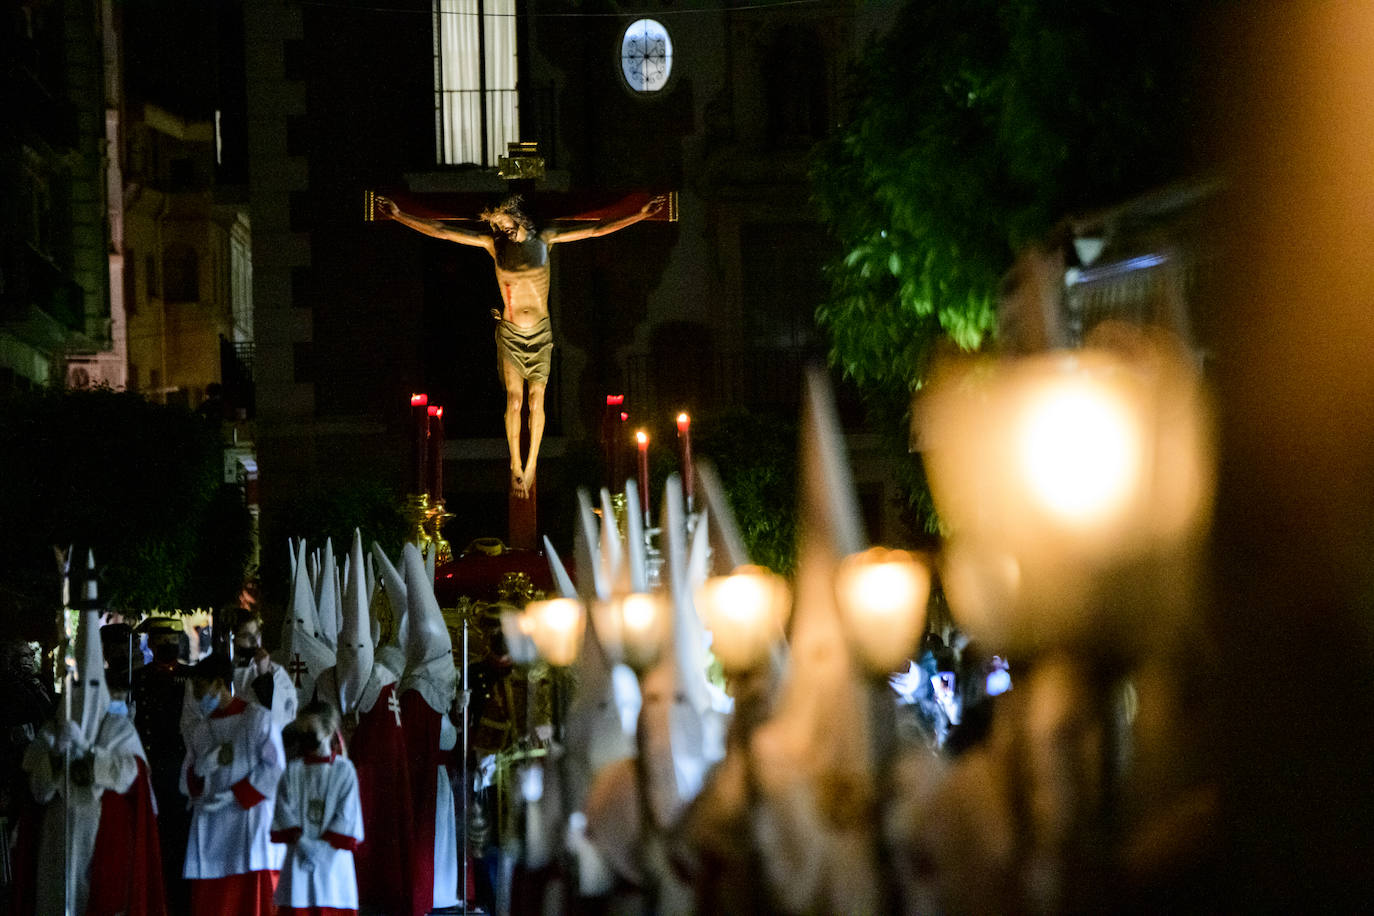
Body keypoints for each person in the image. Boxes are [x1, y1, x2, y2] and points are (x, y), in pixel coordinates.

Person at [377, 191, 665, 498]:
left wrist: (640, 215)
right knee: (515, 401)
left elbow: (597, 228)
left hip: (540, 333)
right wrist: (399, 216)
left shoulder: (546, 239)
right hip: (512, 332)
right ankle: (515, 463)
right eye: (498, 228)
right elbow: (443, 231)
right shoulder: (494, 246)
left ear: (518, 217)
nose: (503, 231)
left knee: (536, 400)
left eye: (505, 224)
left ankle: (531, 467)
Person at [16, 610, 166, 915]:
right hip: (57, 834)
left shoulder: (118, 728)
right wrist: (56, 757)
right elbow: (38, 790)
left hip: (102, 833)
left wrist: (91, 756)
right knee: (56, 898)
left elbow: (131, 774)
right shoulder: (53, 729)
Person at [181, 652, 285, 916]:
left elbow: (275, 768)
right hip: (211, 832)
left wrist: (239, 795)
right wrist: (199, 772)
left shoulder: (257, 718)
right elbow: (187, 781)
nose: (196, 697)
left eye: (200, 688)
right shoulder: (202, 730)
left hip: (248, 825)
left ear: (218, 684)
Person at [271, 702, 364, 916]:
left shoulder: (344, 770)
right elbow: (283, 810)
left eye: (311, 732)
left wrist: (320, 849)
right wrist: (302, 842)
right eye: (301, 732)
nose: (305, 737)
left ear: (328, 731)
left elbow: (347, 814)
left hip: (333, 860)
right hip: (298, 856)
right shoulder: (293, 770)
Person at [132, 615, 197, 913]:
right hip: (150, 766)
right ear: (151, 644)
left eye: (172, 642)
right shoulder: (139, 678)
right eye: (161, 642)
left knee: (179, 837)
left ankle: (179, 897)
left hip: (180, 767)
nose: (168, 646)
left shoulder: (191, 677)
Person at [233, 611, 298, 729]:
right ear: (233, 638)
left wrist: (264, 675)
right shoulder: (223, 670)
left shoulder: (276, 671)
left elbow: (281, 715)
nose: (254, 641)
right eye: (246, 636)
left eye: (257, 634)